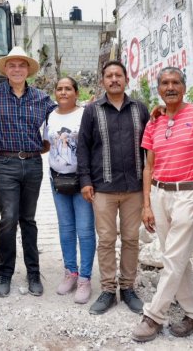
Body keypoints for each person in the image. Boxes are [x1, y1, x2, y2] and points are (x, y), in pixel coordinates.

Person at [132, 67, 193, 343]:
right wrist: (146, 205)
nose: (170, 87)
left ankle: (153, 316)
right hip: (159, 193)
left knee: (173, 257)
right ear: (159, 89)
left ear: (184, 86)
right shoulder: (153, 122)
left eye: (175, 82)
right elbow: (148, 167)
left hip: (189, 194)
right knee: (176, 259)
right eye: (165, 83)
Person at [0, 46, 56, 297]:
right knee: (8, 218)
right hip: (6, 163)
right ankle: (5, 273)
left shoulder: (41, 99)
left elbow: (65, 117)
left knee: (29, 220)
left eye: (22, 65)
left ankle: (33, 272)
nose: (17, 69)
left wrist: (47, 143)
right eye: (12, 65)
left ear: (28, 70)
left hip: (33, 164)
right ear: (5, 69)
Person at [77, 60, 149, 315]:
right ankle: (108, 290)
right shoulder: (92, 111)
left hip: (134, 188)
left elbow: (150, 147)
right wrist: (85, 181)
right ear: (103, 81)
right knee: (106, 240)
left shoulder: (140, 109)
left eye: (119, 75)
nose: (114, 79)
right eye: (109, 76)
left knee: (130, 239)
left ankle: (128, 288)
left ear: (126, 79)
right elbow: (83, 147)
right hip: (103, 188)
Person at [43, 77, 95, 305]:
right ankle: (70, 273)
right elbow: (46, 143)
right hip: (57, 179)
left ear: (76, 92)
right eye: (59, 88)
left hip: (82, 180)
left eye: (68, 89)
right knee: (65, 228)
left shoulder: (86, 114)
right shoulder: (50, 115)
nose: (63, 92)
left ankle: (85, 278)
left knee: (84, 230)